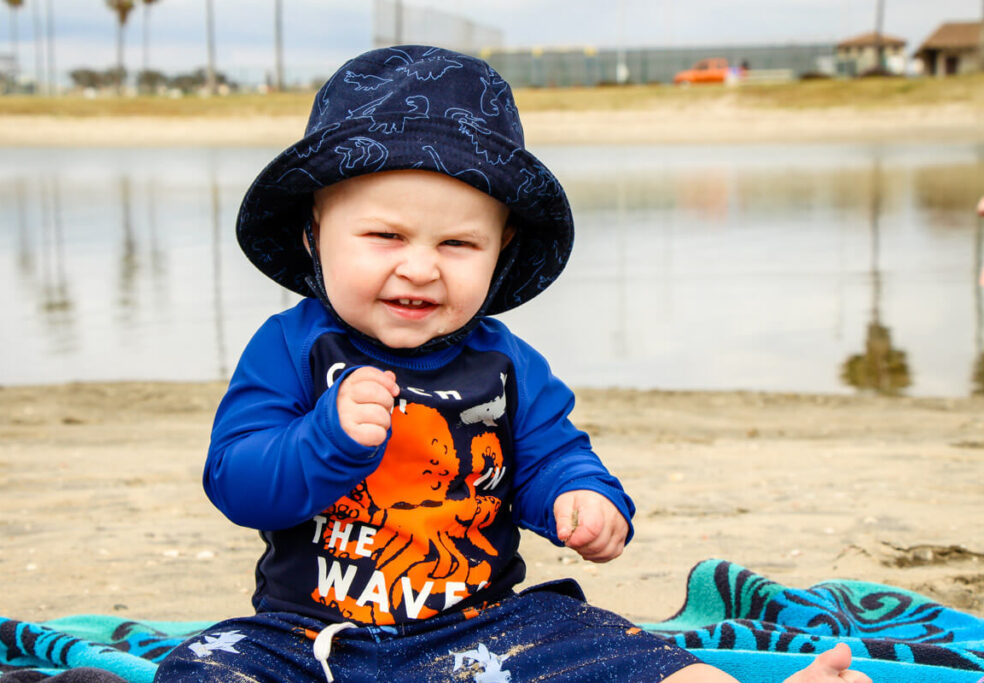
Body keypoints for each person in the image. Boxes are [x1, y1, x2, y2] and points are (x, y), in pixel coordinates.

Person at [154, 46, 870, 682]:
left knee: (611, 643)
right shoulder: (289, 347)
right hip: (308, 635)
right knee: (205, 662)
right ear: (315, 236)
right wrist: (325, 439)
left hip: (482, 628)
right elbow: (237, 482)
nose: (420, 267)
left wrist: (582, 500)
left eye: (458, 244)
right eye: (384, 234)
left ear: (501, 252)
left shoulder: (508, 363)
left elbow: (552, 456)